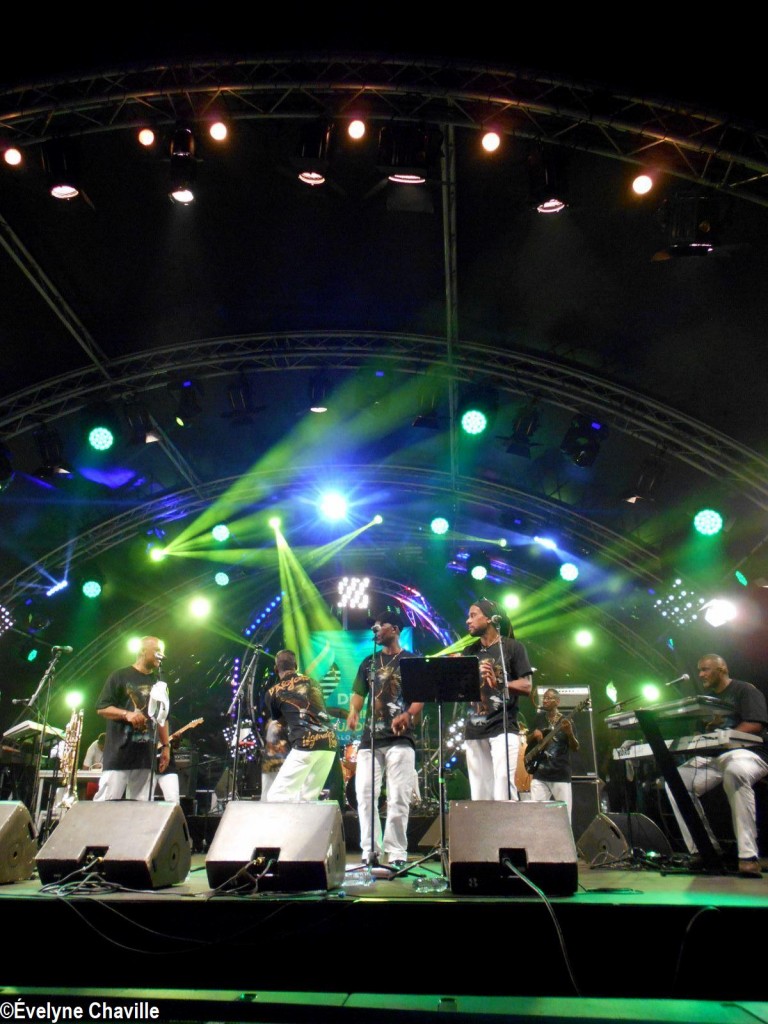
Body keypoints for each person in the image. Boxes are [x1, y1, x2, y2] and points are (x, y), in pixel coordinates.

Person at [665, 653, 768, 877]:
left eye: (705, 669)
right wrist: (705, 734)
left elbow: (755, 725)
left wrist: (723, 735)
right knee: (675, 780)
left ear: (722, 669)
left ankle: (748, 857)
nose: (700, 674)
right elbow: (706, 733)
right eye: (699, 670)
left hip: (748, 753)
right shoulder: (707, 700)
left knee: (734, 772)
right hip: (716, 757)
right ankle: (704, 849)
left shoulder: (744, 690)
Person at [346, 607, 423, 870]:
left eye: (381, 626)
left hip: (401, 739)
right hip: (370, 739)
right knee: (364, 795)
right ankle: (370, 849)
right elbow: (358, 693)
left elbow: (419, 698)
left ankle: (396, 851)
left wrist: (408, 714)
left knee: (399, 796)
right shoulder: (369, 662)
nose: (376, 630)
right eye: (374, 627)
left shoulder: (410, 660)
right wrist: (354, 711)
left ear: (395, 629)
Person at [463, 598, 533, 801]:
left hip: (503, 727)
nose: (468, 621)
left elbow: (527, 686)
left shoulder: (512, 647)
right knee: (480, 794)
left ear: (489, 619)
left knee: (503, 787)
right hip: (474, 729)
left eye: (473, 615)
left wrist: (501, 683)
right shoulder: (469, 652)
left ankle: (507, 823)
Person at [93, 635, 171, 801]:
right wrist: (127, 714)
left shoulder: (159, 683)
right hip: (119, 754)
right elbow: (102, 708)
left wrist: (166, 746)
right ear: (142, 651)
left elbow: (163, 718)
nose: (161, 655)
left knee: (140, 810)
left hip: (146, 757)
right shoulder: (120, 676)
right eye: (157, 650)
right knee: (105, 805)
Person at [264, 649, 338, 802]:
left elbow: (281, 721)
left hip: (306, 744)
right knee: (307, 799)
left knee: (276, 797)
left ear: (276, 669)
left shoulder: (273, 692)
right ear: (296, 666)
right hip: (329, 743)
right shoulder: (313, 682)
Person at [527, 688, 580, 820]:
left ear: (557, 701)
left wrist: (570, 734)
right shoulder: (539, 718)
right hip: (540, 773)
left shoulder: (566, 721)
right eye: (544, 698)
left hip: (560, 774)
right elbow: (527, 741)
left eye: (548, 698)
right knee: (535, 815)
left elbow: (576, 747)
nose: (544, 700)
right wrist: (533, 735)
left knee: (564, 817)